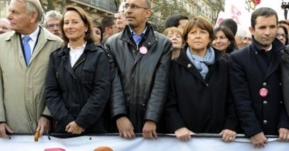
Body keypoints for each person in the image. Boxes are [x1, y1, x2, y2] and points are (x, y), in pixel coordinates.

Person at [0, 0, 63, 138]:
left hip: (47, 131)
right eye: (9, 11)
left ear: (33, 16)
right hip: (10, 130)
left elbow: (62, 85)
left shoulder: (57, 44)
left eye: (14, 12)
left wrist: (48, 115)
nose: (8, 16)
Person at [104, 0, 172, 139]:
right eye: (126, 6)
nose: (128, 10)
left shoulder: (163, 43)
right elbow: (113, 82)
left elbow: (161, 84)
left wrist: (152, 118)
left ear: (147, 13)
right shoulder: (112, 43)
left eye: (134, 6)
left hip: (152, 125)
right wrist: (119, 115)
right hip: (120, 124)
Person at [164, 15, 238, 142]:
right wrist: (178, 126)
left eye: (203, 32)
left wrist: (230, 125)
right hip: (185, 138)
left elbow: (234, 98)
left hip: (220, 137)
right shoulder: (174, 66)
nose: (198, 36)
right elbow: (168, 101)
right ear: (186, 38)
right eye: (193, 33)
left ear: (210, 37)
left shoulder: (225, 64)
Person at [229, 7, 289, 148]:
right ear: (252, 30)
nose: (268, 32)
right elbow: (240, 97)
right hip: (250, 136)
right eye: (262, 27)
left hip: (282, 133)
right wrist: (253, 129)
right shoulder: (238, 58)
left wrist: (285, 122)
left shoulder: (285, 56)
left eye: (272, 27)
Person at [45, 6, 111, 134]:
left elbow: (101, 91)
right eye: (66, 22)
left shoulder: (98, 55)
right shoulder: (56, 56)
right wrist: (67, 120)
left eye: (75, 22)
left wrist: (81, 122)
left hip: (92, 128)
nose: (70, 26)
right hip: (63, 128)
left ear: (86, 27)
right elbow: (51, 92)